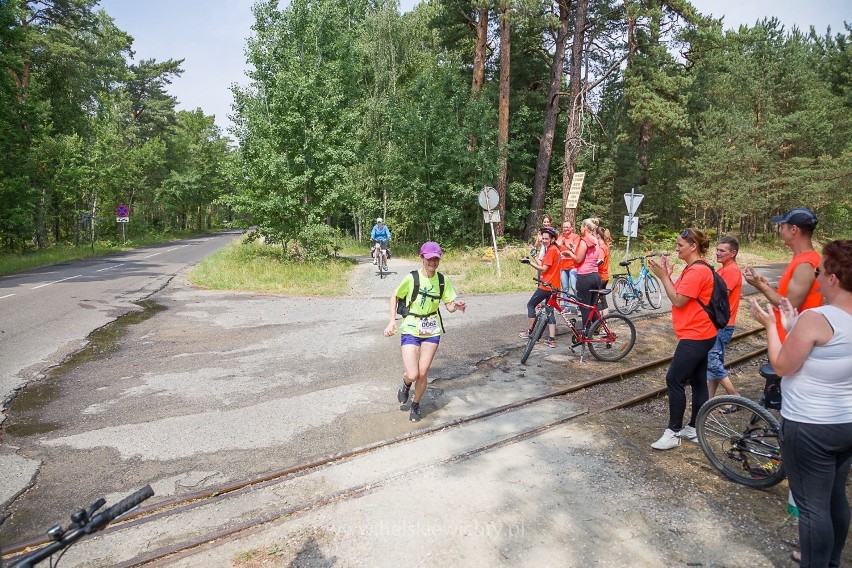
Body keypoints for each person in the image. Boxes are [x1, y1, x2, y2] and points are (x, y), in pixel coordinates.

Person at [749, 240, 852, 568]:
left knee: (812, 508)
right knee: (836, 497)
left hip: (811, 426)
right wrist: (794, 327)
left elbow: (782, 366)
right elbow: (829, 352)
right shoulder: (827, 320)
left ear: (833, 278)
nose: (817, 276)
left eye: (820, 271)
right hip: (845, 423)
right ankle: (832, 561)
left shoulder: (819, 317)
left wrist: (771, 327)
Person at [647, 228, 717, 450]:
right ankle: (695, 427)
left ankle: (673, 432)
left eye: (680, 245)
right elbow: (682, 294)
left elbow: (677, 301)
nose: (676, 248)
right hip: (701, 332)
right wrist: (668, 276)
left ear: (693, 246)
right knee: (698, 381)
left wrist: (663, 277)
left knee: (674, 379)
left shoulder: (697, 271)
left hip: (696, 334)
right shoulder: (694, 268)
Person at [385, 242, 465, 422]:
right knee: (412, 374)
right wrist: (392, 321)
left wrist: (457, 306)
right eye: (430, 259)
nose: (433, 262)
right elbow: (394, 296)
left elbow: (449, 306)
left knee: (423, 372)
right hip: (411, 328)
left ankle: (415, 404)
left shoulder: (442, 280)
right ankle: (406, 384)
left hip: (431, 330)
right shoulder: (412, 278)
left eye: (436, 259)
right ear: (422, 258)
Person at [744, 208, 821, 342]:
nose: (780, 231)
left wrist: (760, 286)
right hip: (789, 339)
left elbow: (790, 306)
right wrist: (763, 284)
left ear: (794, 230)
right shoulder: (805, 259)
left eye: (783, 227)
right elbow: (787, 297)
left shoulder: (805, 264)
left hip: (790, 343)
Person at [706, 235, 743, 402]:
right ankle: (708, 402)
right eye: (717, 249)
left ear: (733, 253)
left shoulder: (731, 271)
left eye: (722, 250)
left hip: (723, 324)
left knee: (713, 363)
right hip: (718, 324)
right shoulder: (722, 269)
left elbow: (720, 298)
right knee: (714, 363)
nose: (718, 253)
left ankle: (736, 398)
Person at [520, 227, 561, 348]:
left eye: (546, 238)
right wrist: (535, 257)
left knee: (531, 305)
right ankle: (552, 339)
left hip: (546, 286)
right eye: (542, 238)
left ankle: (530, 332)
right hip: (555, 286)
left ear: (552, 239)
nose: (544, 241)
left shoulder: (551, 250)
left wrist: (529, 263)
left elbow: (543, 269)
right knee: (549, 311)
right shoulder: (555, 250)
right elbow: (545, 264)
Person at [560, 218, 601, 329]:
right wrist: (572, 250)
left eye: (581, 226)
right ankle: (597, 330)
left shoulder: (585, 240)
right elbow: (588, 256)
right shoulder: (595, 240)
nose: (580, 228)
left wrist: (568, 252)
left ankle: (586, 332)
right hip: (595, 275)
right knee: (593, 307)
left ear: (585, 228)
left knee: (585, 307)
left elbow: (578, 260)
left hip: (585, 277)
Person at [557, 219, 582, 314]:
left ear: (571, 228)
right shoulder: (560, 237)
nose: (565, 229)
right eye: (564, 227)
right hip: (563, 266)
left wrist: (565, 245)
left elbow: (574, 251)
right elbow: (558, 250)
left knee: (575, 287)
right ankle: (567, 307)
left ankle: (579, 307)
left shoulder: (576, 237)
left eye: (567, 227)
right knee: (564, 288)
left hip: (573, 265)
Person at [595, 226, 613, 316]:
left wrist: (592, 267)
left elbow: (601, 260)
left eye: (594, 233)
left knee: (597, 301)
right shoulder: (605, 245)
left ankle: (599, 323)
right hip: (605, 276)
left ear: (598, 235)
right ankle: (605, 322)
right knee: (603, 300)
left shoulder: (601, 247)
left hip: (600, 276)